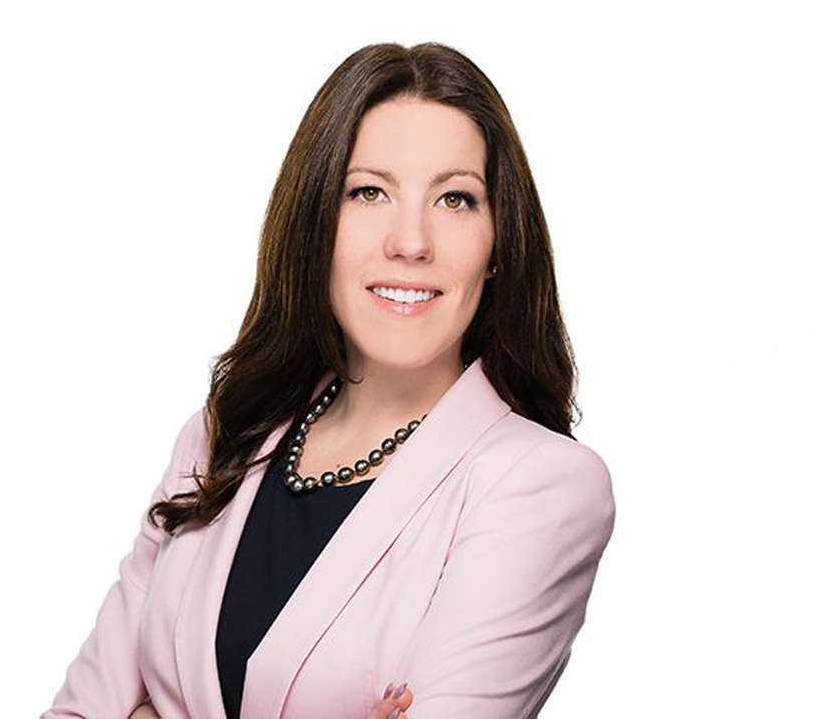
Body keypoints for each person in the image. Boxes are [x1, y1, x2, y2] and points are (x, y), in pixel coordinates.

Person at [40, 42, 617, 719]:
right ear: (316, 224)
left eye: (456, 199)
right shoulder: (219, 437)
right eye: (369, 191)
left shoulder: (539, 486)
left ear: (499, 246)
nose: (411, 241)